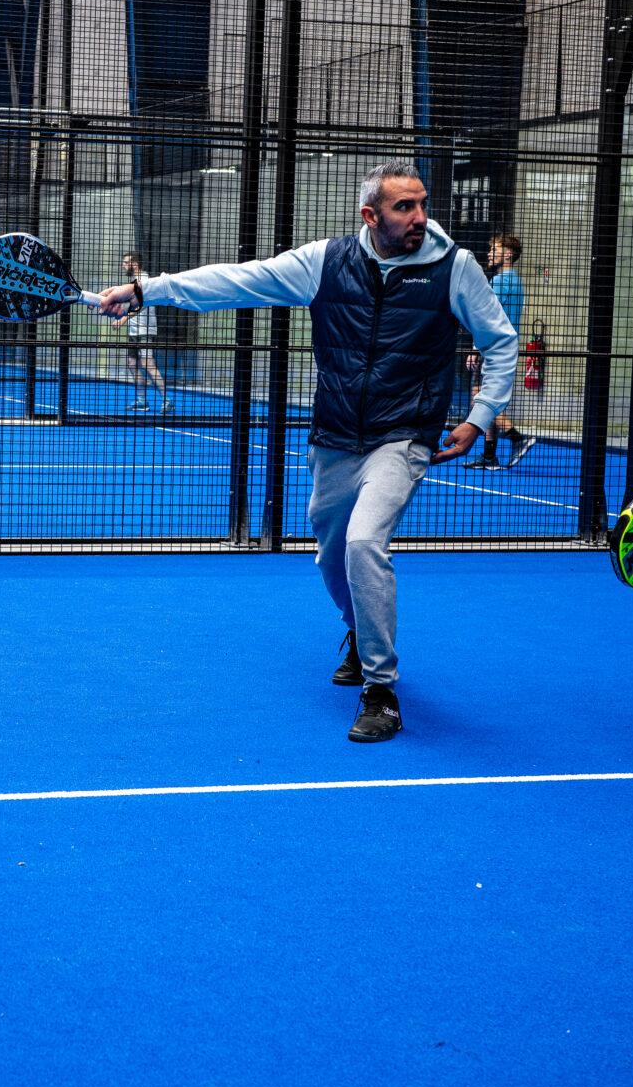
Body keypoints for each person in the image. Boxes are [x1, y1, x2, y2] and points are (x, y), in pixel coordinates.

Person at [98, 161, 516, 743]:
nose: (420, 216)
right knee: (333, 554)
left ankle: (381, 690)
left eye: (421, 203)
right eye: (404, 207)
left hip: (404, 435)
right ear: (371, 216)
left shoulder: (456, 268)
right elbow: (236, 281)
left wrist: (479, 417)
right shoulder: (325, 261)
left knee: (367, 543)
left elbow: (501, 342)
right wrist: (148, 291)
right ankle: (358, 627)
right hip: (336, 434)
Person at [466, 234, 536, 469]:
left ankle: (517, 438)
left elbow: (487, 319)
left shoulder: (499, 282)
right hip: (508, 347)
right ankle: (489, 457)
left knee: (479, 400)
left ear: (507, 255)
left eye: (494, 249)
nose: (489, 253)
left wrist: (475, 349)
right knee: (491, 398)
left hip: (493, 347)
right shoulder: (516, 281)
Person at [112, 251, 171, 414]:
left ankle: (167, 400)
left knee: (147, 364)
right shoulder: (133, 282)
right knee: (132, 364)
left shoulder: (144, 281)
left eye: (126, 262)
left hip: (145, 330)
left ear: (135, 265)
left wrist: (122, 319)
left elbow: (140, 305)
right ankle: (141, 400)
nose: (123, 266)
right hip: (134, 331)